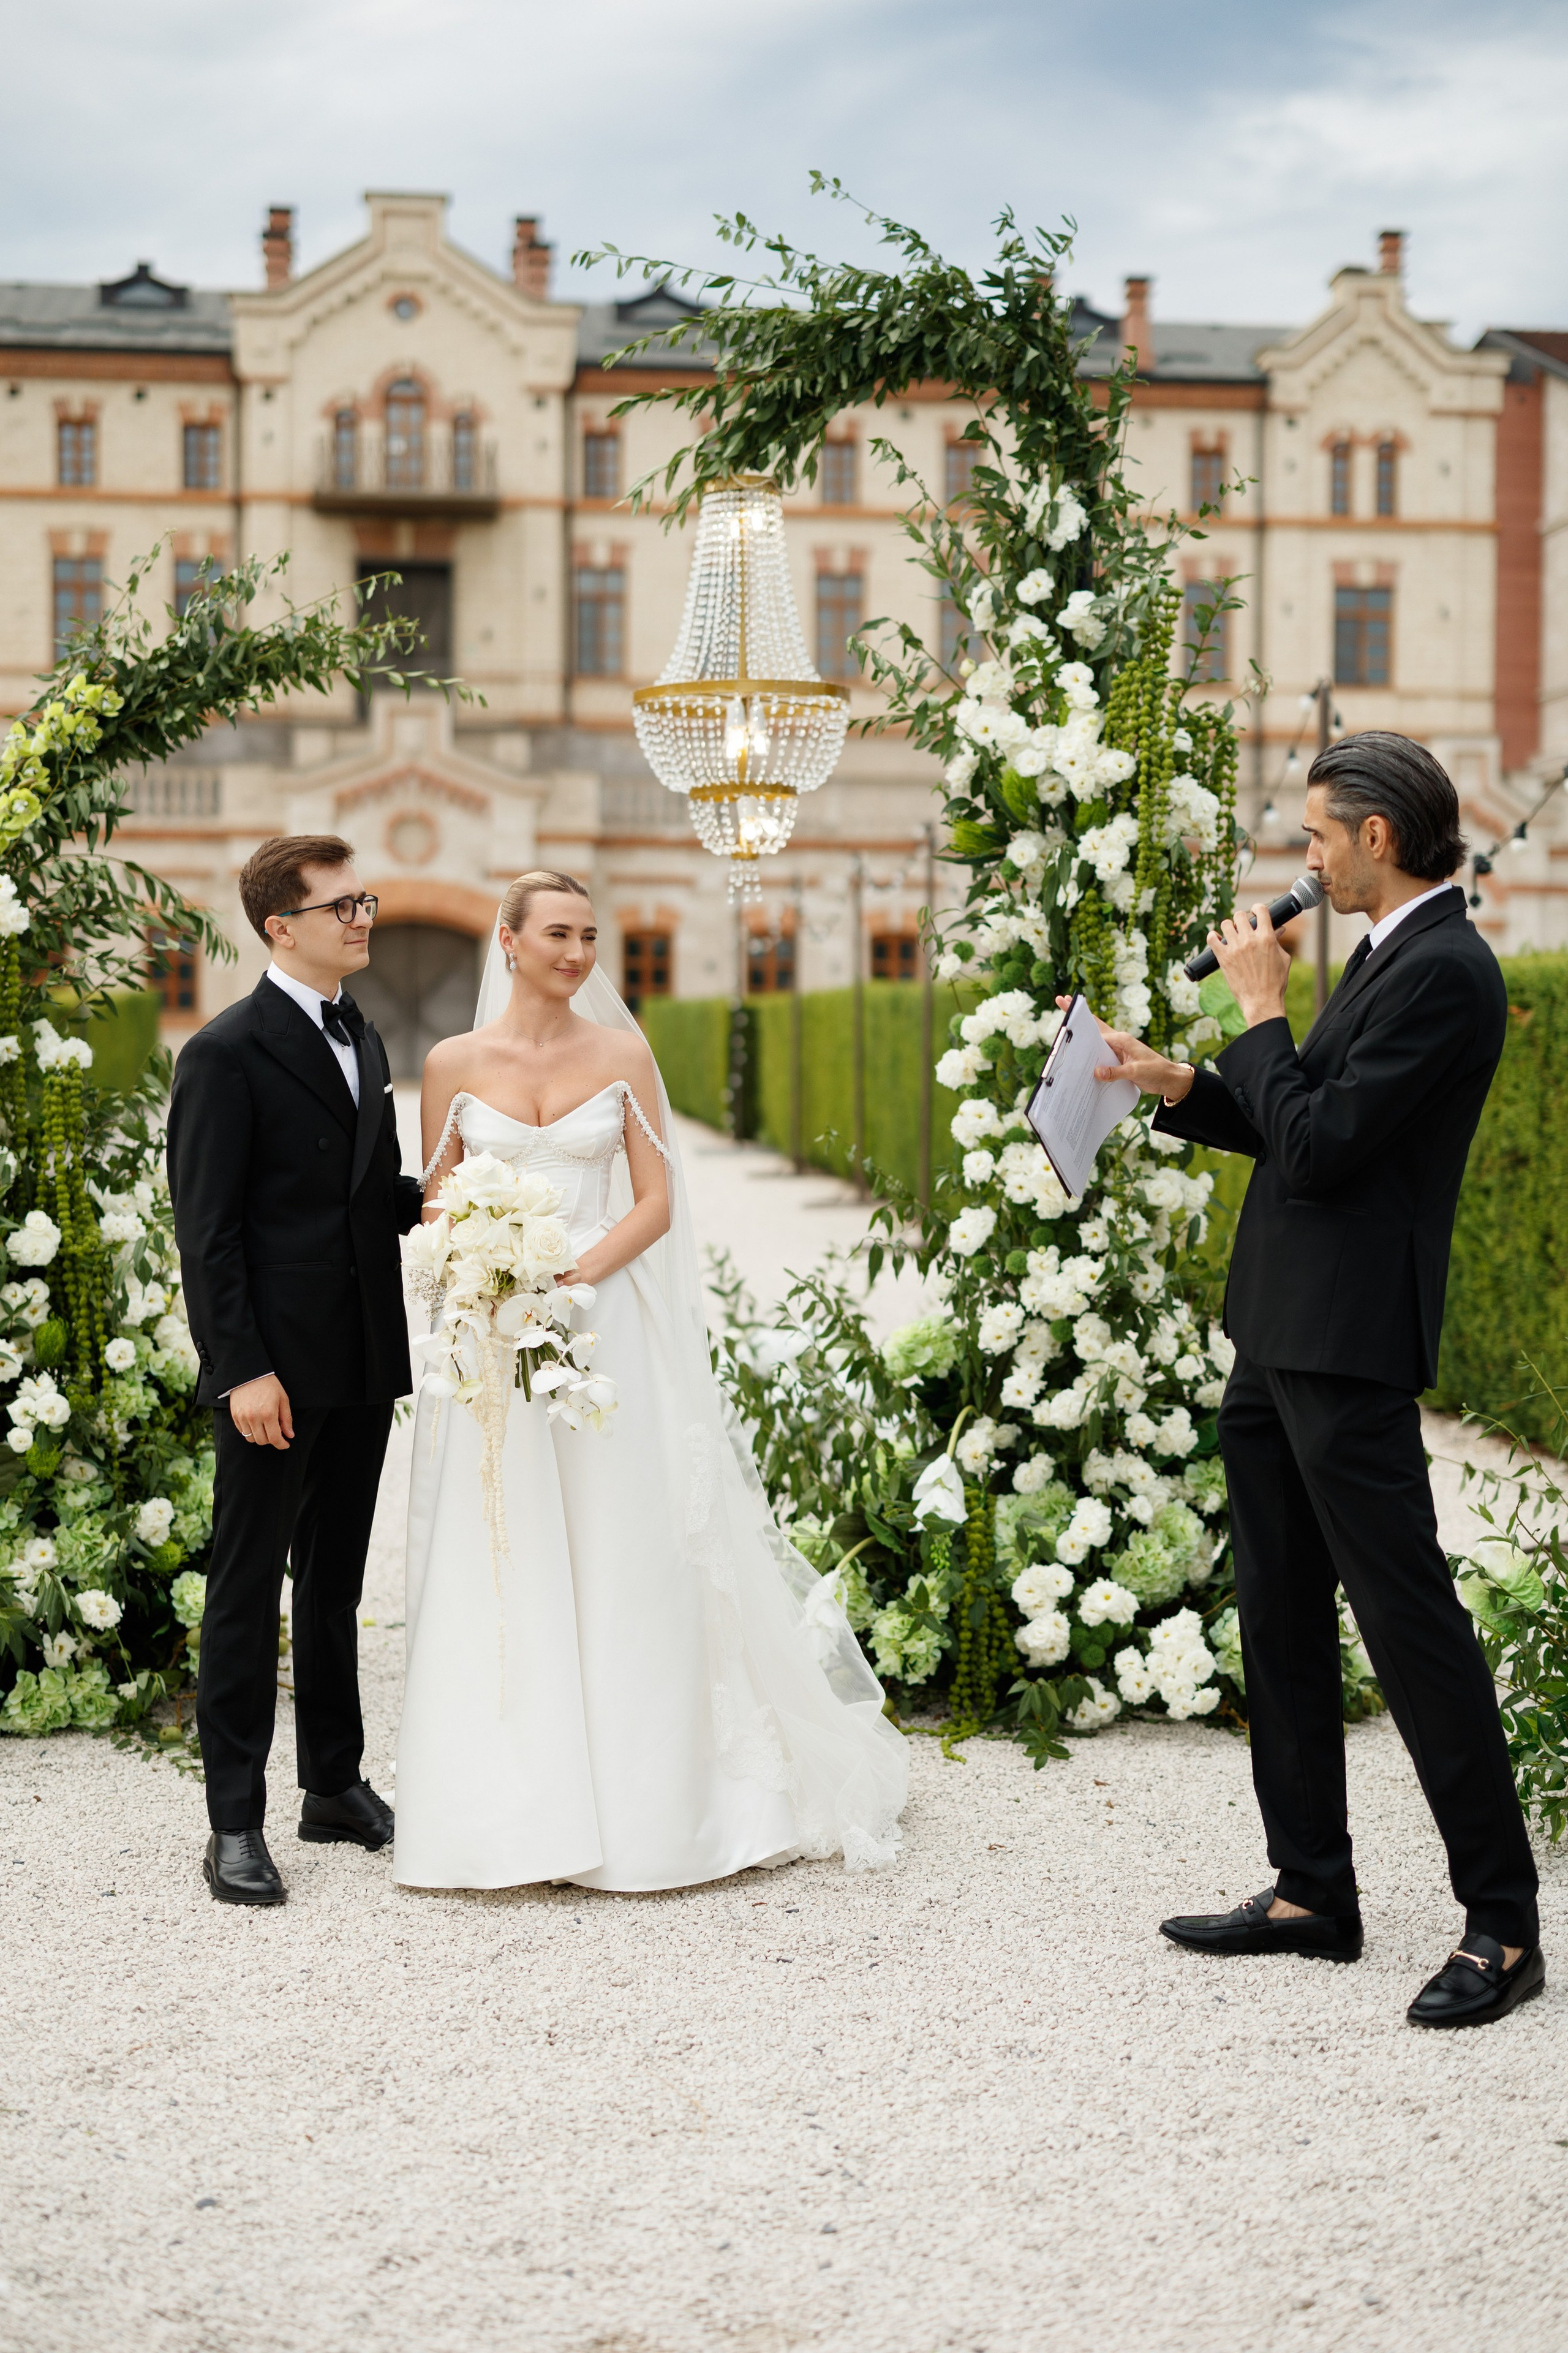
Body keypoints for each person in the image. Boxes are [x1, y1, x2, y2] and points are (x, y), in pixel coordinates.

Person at [1085, 733, 1542, 2030]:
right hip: (1275, 1329)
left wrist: (1258, 1014)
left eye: (1312, 839)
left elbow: (1329, 1150)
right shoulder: (1383, 955)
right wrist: (1176, 1085)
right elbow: (1294, 1127)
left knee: (1409, 1628)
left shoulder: (1447, 972)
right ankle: (1309, 1890)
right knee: (1276, 1613)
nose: (1303, 862)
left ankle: (1500, 1927)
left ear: (1376, 838)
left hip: (1345, 1345)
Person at [393, 869, 907, 1892]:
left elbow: (658, 1198)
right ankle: (512, 1807)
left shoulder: (625, 1054)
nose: (578, 953)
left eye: (589, 935)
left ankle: (653, 1803)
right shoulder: (451, 1062)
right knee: (510, 1549)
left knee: (628, 1544)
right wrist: (487, 1272)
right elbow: (439, 1204)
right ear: (508, 940)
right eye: (557, 934)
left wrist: (573, 1268)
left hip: (605, 1321)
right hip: (498, 1336)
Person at [167, 836, 423, 1906]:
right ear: (282, 926)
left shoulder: (359, 1032)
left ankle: (332, 1782)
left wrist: (442, 1199)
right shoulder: (224, 1052)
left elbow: (358, 1195)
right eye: (341, 904)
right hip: (272, 1374)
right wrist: (242, 1372)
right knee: (244, 1590)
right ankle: (235, 1820)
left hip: (360, 1356)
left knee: (334, 1585)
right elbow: (208, 1231)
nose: (363, 916)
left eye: (364, 898)